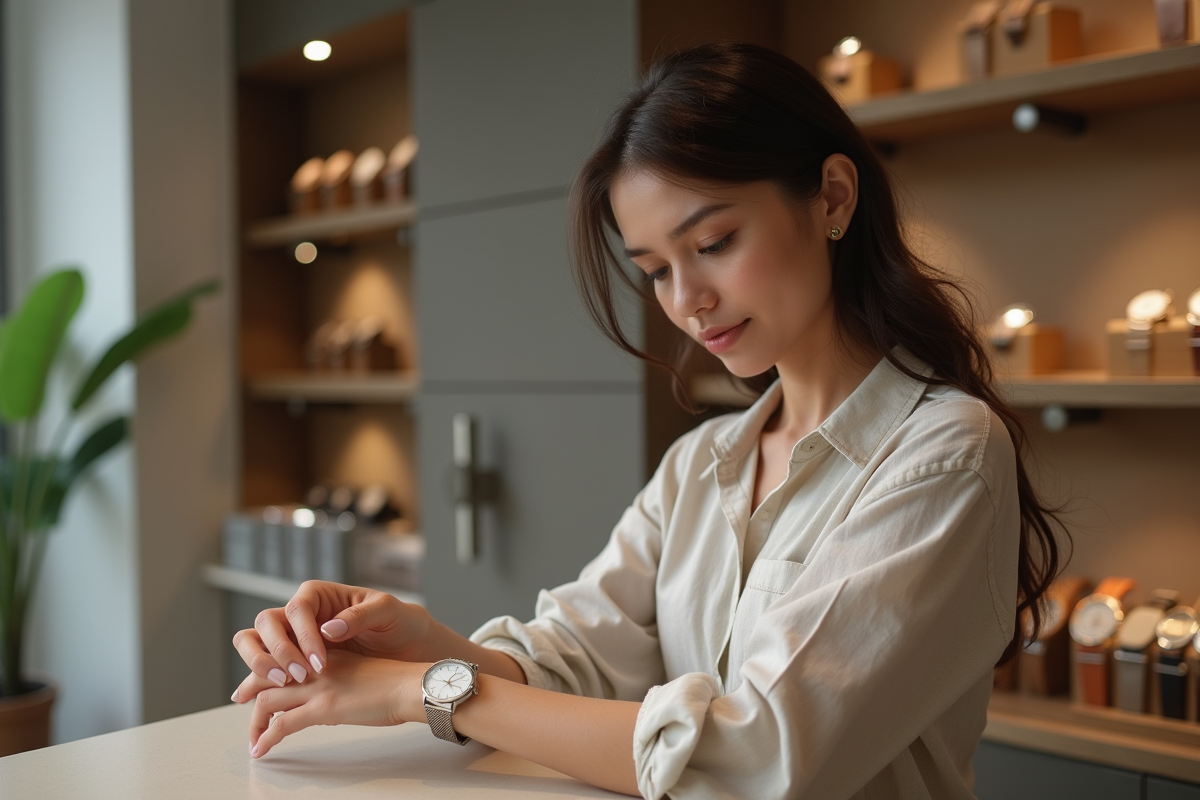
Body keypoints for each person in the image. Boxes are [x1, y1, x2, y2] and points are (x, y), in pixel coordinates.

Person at [229, 42, 1065, 799]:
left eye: (715, 242)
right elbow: (578, 658)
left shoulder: (943, 453)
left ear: (833, 198)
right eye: (657, 269)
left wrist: (419, 693)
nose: (687, 302)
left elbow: (764, 758)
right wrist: (418, 646)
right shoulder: (703, 462)